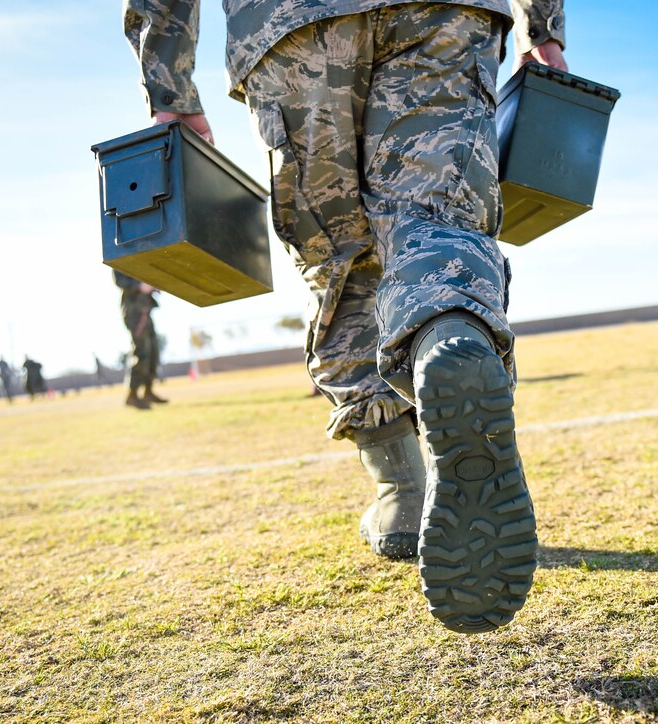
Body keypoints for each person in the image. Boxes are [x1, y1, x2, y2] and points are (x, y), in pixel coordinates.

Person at [124, 0, 566, 632]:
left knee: (340, 258)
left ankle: (401, 490)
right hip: (446, 15)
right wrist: (542, 27)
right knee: (436, 217)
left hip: (290, 24)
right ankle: (449, 332)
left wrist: (169, 87)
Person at [114, 270, 167, 410]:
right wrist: (139, 286)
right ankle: (132, 395)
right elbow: (120, 281)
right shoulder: (121, 259)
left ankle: (148, 391)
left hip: (145, 310)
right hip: (134, 312)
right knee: (141, 352)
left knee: (153, 351)